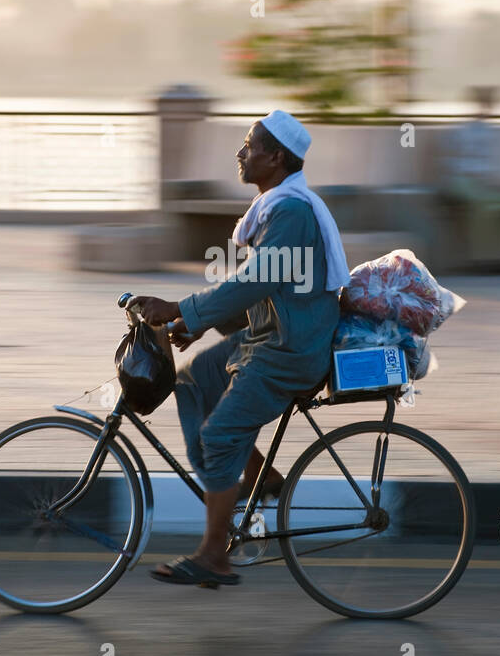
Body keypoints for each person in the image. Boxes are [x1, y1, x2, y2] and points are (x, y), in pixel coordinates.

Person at [132, 110, 349, 588]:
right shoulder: (277, 206)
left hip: (289, 351)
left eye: (249, 145)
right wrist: (198, 324)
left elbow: (258, 279)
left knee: (219, 437)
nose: (241, 153)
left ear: (275, 157)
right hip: (267, 337)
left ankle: (214, 557)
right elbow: (256, 292)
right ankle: (260, 476)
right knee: (191, 380)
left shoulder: (291, 212)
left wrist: (182, 308)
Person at [444, 86, 500, 271]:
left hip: (486, 184)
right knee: (486, 207)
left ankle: (494, 258)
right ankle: (484, 259)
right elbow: (456, 162)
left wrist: (499, 184)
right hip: (462, 181)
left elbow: (494, 166)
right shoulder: (462, 130)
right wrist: (484, 181)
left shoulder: (494, 132)